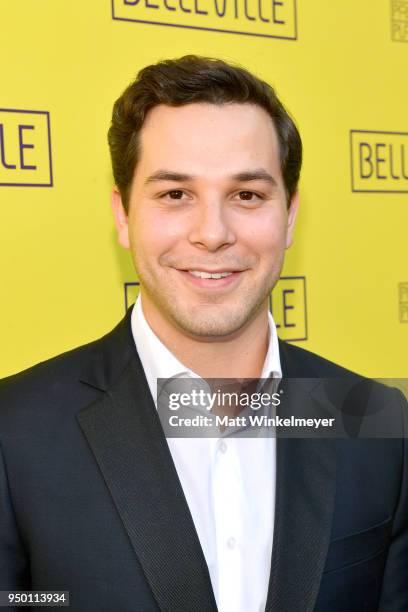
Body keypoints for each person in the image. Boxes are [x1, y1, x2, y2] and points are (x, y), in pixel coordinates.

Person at [0, 56, 407, 612]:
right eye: (174, 195)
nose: (212, 234)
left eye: (247, 195)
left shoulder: (372, 420)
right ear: (123, 216)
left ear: (289, 216)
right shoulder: (14, 432)